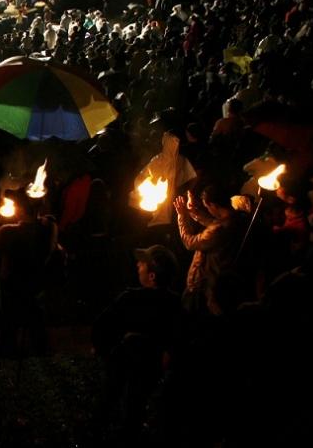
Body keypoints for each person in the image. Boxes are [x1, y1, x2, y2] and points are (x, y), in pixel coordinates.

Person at [90, 245, 189, 443]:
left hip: (122, 360)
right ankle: (131, 431)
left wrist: (101, 348)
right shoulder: (176, 304)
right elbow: (179, 336)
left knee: (109, 395)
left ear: (152, 276)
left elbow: (103, 326)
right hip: (150, 366)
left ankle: (95, 430)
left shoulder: (130, 298)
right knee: (138, 399)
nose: (138, 265)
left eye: (142, 264)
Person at [0, 191, 59, 357]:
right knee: (37, 316)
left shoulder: (7, 231)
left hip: (11, 281)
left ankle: (7, 348)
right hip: (37, 280)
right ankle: (40, 347)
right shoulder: (50, 226)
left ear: (21, 210)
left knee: (9, 318)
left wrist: (6, 222)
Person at [173, 185, 248, 315]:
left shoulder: (219, 230)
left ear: (213, 205)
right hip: (215, 287)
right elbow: (216, 223)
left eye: (207, 207)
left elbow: (190, 243)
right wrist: (194, 213)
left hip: (204, 290)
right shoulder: (237, 220)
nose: (207, 209)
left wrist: (182, 216)